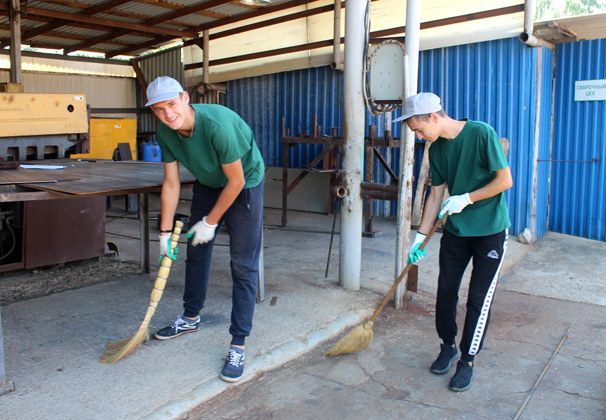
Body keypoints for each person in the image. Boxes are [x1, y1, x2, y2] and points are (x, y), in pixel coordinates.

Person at [146, 76, 265, 383]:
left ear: (185, 98)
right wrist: (162, 233)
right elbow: (171, 184)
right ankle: (190, 317)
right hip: (210, 185)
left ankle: (238, 342)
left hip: (245, 184)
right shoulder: (166, 132)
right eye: (159, 110)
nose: (167, 114)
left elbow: (236, 182)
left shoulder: (217, 125)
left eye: (171, 105)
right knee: (196, 252)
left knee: (242, 264)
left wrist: (211, 222)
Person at [394, 92, 512, 392]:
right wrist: (419, 237)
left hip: (490, 230)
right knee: (445, 292)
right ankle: (448, 345)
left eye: (419, 130)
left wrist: (467, 198)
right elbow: (435, 195)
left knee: (478, 300)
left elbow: (504, 181)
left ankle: (467, 361)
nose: (419, 137)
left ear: (434, 116)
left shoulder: (481, 132)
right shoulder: (436, 151)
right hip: (457, 231)